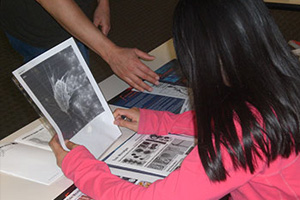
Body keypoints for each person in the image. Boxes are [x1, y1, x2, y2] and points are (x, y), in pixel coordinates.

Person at [49, 0, 300, 199]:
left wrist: (80, 167)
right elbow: (244, 121)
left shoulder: (241, 135)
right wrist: (160, 121)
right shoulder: (283, 83)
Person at [0, 0, 159, 92]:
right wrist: (111, 53)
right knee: (71, 106)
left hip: (75, 15)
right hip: (42, 28)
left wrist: (103, 4)